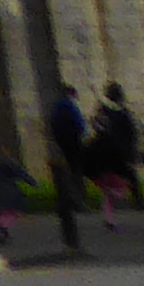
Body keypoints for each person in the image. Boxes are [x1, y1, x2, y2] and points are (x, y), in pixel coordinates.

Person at [80, 85, 143, 232]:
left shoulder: (105, 111)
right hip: (116, 154)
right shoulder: (121, 114)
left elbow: (97, 125)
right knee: (123, 182)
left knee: (109, 189)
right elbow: (131, 134)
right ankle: (133, 201)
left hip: (107, 154)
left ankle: (110, 218)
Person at [43, 79, 93, 231]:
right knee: (77, 171)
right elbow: (80, 124)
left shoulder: (57, 107)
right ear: (72, 94)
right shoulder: (71, 106)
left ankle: (68, 201)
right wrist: (86, 137)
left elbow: (52, 125)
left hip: (63, 143)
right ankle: (79, 201)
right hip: (74, 142)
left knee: (68, 171)